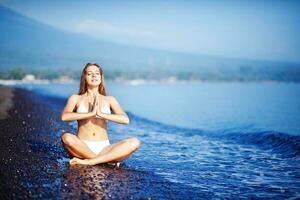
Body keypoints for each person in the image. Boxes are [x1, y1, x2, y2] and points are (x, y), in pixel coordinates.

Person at [60, 63, 140, 166]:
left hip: (104, 148)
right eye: (90, 74)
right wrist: (91, 113)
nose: (94, 76)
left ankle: (92, 161)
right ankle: (106, 160)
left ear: (101, 77)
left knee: (135, 142)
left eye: (97, 73)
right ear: (84, 77)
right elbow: (64, 116)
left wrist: (101, 114)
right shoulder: (76, 98)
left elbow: (125, 119)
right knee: (66, 137)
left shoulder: (110, 99)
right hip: (82, 147)